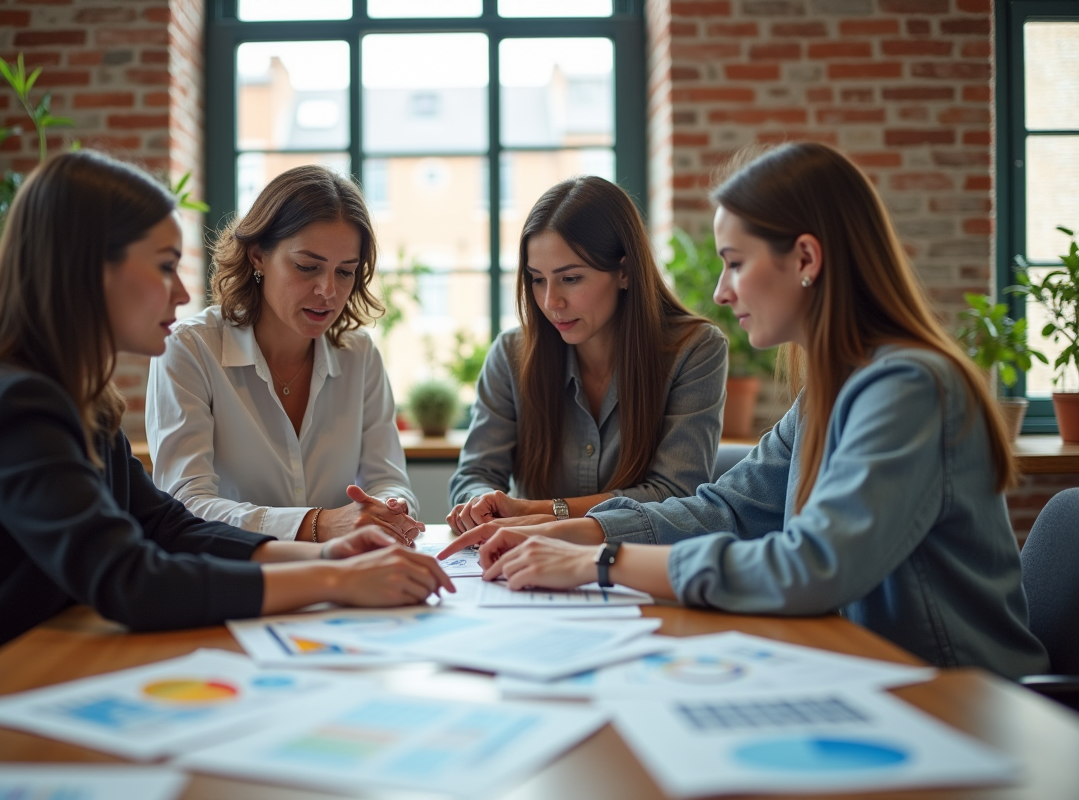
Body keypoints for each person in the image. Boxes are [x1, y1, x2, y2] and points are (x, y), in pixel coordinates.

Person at [438, 143, 1049, 680]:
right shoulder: (833, 391)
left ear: (806, 260)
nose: (721, 291)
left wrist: (600, 559)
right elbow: (728, 507)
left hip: (962, 702)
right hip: (879, 678)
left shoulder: (909, 388)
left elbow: (812, 566)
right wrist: (577, 529)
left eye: (735, 262)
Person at [0, 152, 453, 699]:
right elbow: (130, 578)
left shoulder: (83, 402)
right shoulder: (13, 404)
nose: (181, 293)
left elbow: (168, 527)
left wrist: (335, 556)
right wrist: (335, 579)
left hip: (34, 675)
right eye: (164, 267)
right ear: (89, 269)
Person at [147, 165, 423, 545]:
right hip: (236, 581)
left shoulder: (359, 354)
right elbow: (184, 505)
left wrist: (390, 509)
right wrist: (318, 525)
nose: (327, 291)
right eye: (307, 267)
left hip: (348, 577)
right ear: (258, 255)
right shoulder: (190, 349)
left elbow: (388, 477)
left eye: (345, 272)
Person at [446, 176, 728, 534]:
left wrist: (541, 511)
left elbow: (675, 495)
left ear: (624, 272)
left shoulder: (695, 349)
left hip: (639, 568)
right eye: (537, 279)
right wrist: (481, 504)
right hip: (528, 566)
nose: (551, 302)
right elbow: (475, 475)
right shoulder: (511, 353)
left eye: (571, 278)